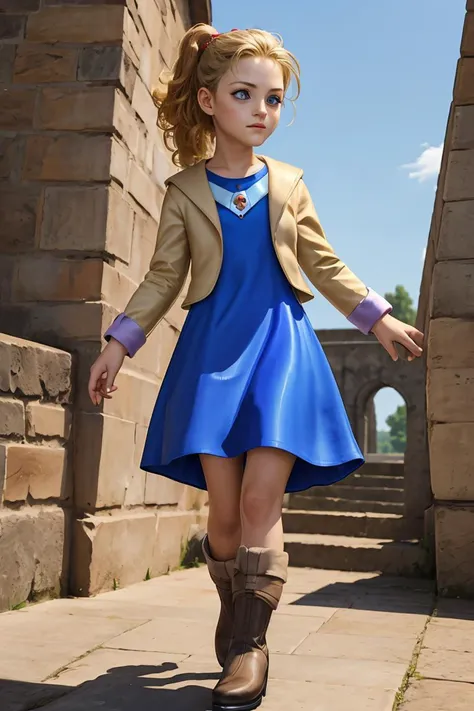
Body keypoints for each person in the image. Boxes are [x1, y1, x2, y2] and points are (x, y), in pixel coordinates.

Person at [88, 23, 424, 711]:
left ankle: (249, 643)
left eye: (274, 99)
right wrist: (119, 340)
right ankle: (233, 594)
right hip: (212, 355)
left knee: (259, 502)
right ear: (209, 101)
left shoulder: (291, 183)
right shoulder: (183, 190)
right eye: (246, 95)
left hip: (280, 351)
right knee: (222, 519)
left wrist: (376, 316)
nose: (263, 111)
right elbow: (160, 279)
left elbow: (323, 262)